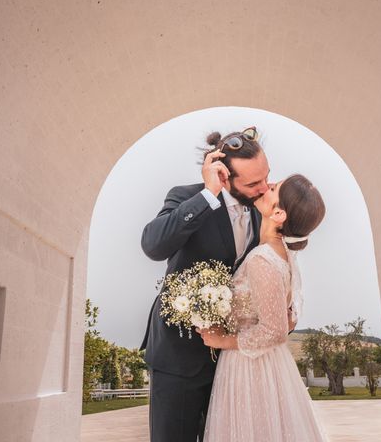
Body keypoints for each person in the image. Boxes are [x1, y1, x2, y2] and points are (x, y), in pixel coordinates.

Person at [140, 127, 273, 442]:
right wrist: (207, 196)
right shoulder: (187, 197)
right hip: (177, 356)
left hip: (232, 363)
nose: (264, 187)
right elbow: (153, 246)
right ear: (224, 175)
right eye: (253, 183)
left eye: (266, 176)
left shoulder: (261, 213)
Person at [199, 174, 328, 442]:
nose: (265, 188)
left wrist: (222, 340)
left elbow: (276, 330)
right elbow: (286, 319)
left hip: (250, 367)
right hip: (268, 363)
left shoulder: (262, 260)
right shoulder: (283, 254)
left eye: (273, 189)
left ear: (279, 214)